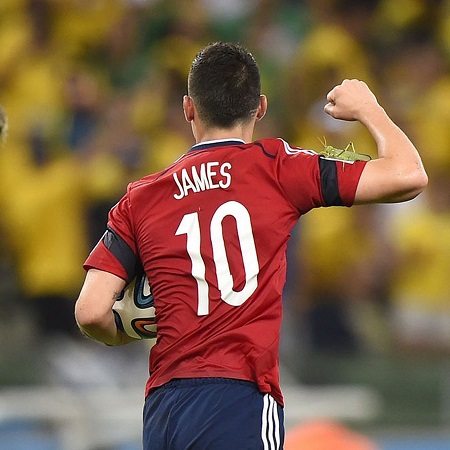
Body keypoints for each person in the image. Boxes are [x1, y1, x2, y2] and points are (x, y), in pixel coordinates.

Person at [75, 42, 427, 449]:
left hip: (165, 407)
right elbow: (408, 175)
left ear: (189, 108)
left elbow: (91, 311)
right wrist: (369, 108)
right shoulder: (278, 168)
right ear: (259, 107)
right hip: (239, 397)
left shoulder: (141, 198)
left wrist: (129, 329)